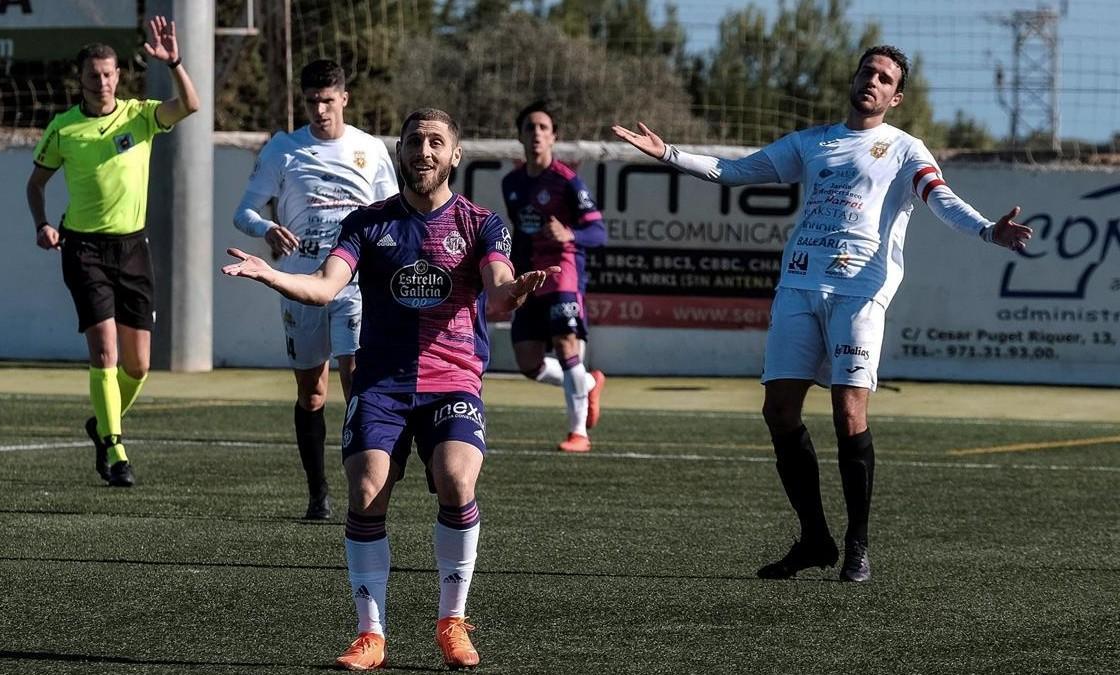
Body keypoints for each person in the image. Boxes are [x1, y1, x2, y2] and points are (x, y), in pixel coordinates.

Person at [614, 45, 1032, 582]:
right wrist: (669, 152)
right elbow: (732, 171)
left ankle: (858, 543)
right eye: (867, 72)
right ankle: (815, 538)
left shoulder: (905, 149)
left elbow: (940, 197)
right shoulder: (811, 143)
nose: (872, 82)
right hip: (798, 285)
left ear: (895, 97)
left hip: (860, 292)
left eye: (884, 79)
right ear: (853, 79)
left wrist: (985, 229)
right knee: (779, 411)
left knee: (847, 413)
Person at [223, 108, 556, 670]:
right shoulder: (367, 222)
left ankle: (452, 620)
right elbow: (327, 285)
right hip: (381, 385)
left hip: (452, 380)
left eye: (435, 142)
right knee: (366, 490)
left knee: (455, 478)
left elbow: (498, 288)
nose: (422, 151)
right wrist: (273, 274)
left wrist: (513, 293)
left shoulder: (481, 223)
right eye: (413, 142)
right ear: (399, 152)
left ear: (455, 154)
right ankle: (370, 634)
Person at [25, 17, 200, 488]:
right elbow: (36, 183)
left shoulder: (140, 116)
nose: (101, 82)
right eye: (92, 75)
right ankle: (116, 450)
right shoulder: (64, 128)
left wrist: (175, 62)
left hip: (132, 249)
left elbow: (190, 104)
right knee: (103, 351)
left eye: (108, 74)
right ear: (79, 79)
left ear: (118, 76)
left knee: (138, 364)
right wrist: (42, 223)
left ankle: (102, 424)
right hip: (82, 249)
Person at [233, 59, 398, 520]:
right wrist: (266, 227)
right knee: (313, 394)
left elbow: (393, 211)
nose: (321, 110)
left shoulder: (369, 148)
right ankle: (317, 490)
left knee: (357, 380)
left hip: (355, 283)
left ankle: (364, 486)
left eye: (328, 100)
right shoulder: (284, 149)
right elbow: (243, 212)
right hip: (300, 283)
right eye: (312, 101)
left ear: (344, 98)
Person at [501, 100, 607, 453]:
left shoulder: (567, 181)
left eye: (543, 128)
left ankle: (579, 434)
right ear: (519, 136)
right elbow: (519, 234)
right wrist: (510, 277)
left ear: (554, 137)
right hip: (532, 276)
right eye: (529, 127)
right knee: (528, 363)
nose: (536, 134)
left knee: (566, 347)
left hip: (563, 273)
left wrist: (570, 235)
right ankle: (588, 385)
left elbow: (599, 233)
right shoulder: (512, 183)